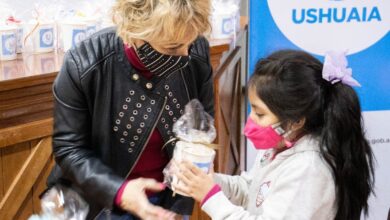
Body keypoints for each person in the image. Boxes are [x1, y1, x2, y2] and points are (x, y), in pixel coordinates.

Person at [47, 0, 214, 219]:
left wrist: (180, 203)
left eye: (189, 43)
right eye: (172, 47)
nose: (185, 56)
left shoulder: (195, 54)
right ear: (135, 32)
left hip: (166, 200)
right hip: (97, 203)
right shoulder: (85, 62)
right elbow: (68, 148)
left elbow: (201, 132)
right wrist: (120, 192)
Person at [173, 50, 375, 220]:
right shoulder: (282, 144)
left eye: (260, 114)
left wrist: (210, 197)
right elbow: (250, 191)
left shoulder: (308, 169)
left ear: (296, 120)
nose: (250, 119)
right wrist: (207, 181)